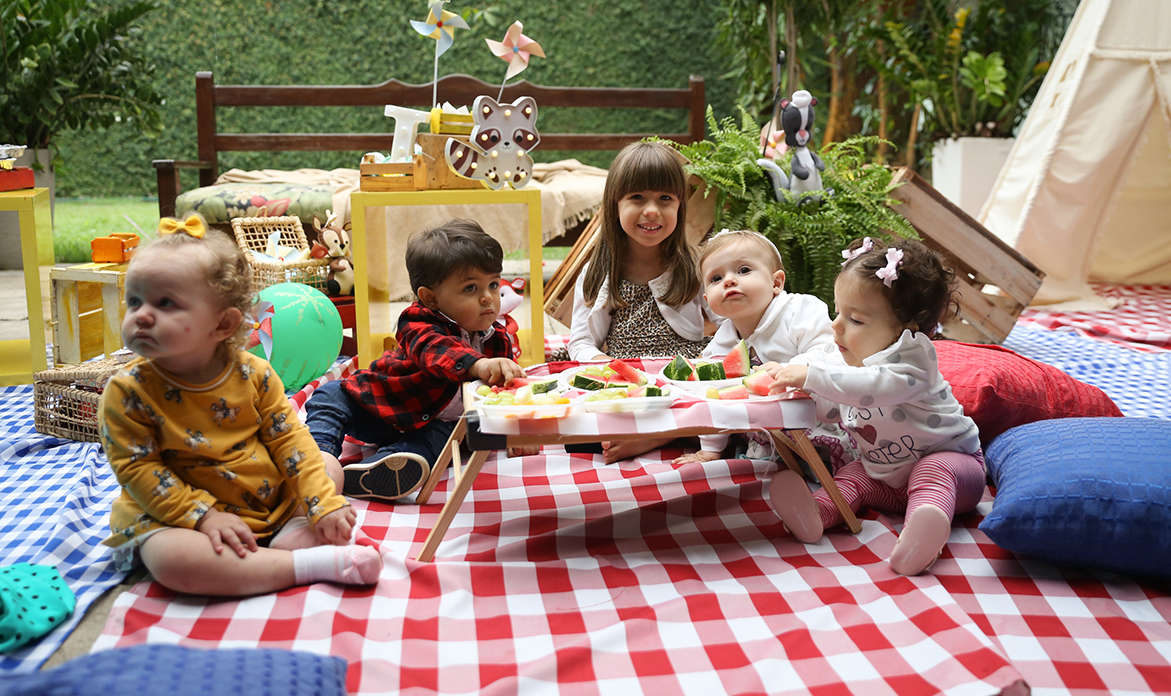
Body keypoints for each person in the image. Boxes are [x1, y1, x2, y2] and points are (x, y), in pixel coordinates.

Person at [100, 215, 381, 597]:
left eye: (165, 304)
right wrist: (202, 518)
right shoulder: (126, 393)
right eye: (135, 301)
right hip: (181, 514)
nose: (142, 315)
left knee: (328, 466)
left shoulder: (255, 375)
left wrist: (322, 503)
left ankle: (293, 530)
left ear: (223, 325)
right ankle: (302, 565)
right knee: (171, 560)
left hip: (267, 496)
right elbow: (140, 469)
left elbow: (290, 441)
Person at [764, 237, 985, 576]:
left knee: (932, 471)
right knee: (852, 477)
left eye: (855, 320)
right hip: (886, 480)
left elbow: (869, 389)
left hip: (958, 472)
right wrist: (790, 390)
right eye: (837, 312)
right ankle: (815, 513)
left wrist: (812, 376)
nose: (835, 326)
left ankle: (923, 534)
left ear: (905, 328)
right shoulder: (849, 363)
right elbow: (834, 407)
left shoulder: (913, 362)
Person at [306, 218, 528, 500]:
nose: (488, 298)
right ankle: (317, 455)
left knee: (443, 445)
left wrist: (517, 430)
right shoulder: (417, 320)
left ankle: (382, 469)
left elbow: (504, 395)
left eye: (493, 284)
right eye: (471, 288)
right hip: (385, 404)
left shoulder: (497, 338)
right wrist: (478, 364)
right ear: (430, 298)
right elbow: (435, 350)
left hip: (437, 424)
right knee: (331, 394)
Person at [567, 141, 716, 463]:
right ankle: (666, 430)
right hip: (626, 382)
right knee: (576, 437)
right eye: (637, 198)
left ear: (680, 206)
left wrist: (710, 358)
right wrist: (607, 366)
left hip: (683, 380)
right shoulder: (598, 273)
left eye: (665, 199)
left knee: (725, 406)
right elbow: (580, 341)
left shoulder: (697, 266)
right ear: (614, 205)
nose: (652, 210)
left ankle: (659, 434)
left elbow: (730, 324)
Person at [673, 229, 843, 467]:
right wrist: (710, 450)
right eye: (715, 278)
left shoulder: (800, 311)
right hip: (766, 443)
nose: (729, 281)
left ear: (776, 283)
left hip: (820, 429)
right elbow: (711, 395)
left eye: (743, 270)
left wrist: (788, 370)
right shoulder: (722, 341)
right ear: (706, 299)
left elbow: (828, 355)